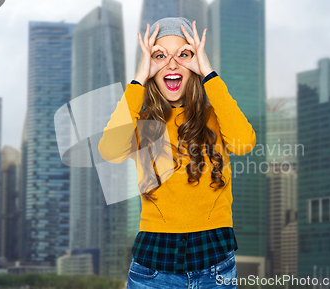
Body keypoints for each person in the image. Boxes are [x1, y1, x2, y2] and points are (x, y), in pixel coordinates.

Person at [98, 16, 256, 288]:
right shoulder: (143, 123)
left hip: (215, 259)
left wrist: (208, 73)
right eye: (159, 55)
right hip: (153, 265)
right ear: (150, 67)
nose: (172, 63)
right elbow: (110, 151)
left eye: (184, 54)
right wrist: (138, 79)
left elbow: (243, 142)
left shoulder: (215, 117)